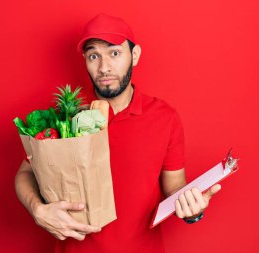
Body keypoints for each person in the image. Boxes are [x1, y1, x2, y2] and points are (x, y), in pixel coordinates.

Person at [14, 13, 221, 252]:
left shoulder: (165, 117)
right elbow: (24, 174)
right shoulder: (66, 118)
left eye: (114, 53)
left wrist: (191, 206)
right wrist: (38, 210)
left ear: (134, 56)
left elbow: (174, 187)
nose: (104, 68)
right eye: (94, 56)